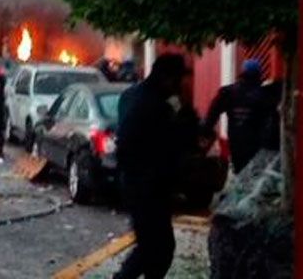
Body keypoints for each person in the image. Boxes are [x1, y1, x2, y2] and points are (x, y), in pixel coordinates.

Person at [114, 53, 190, 279]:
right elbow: (129, 144)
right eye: (178, 79)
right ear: (167, 78)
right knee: (154, 248)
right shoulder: (151, 104)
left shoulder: (136, 96)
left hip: (145, 186)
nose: (181, 84)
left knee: (157, 248)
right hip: (147, 188)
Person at [201, 59, 280, 174]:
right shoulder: (265, 94)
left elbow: (212, 114)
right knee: (254, 174)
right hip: (257, 143)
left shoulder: (228, 92)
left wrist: (206, 131)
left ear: (242, 73)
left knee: (239, 171)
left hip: (235, 141)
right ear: (259, 75)